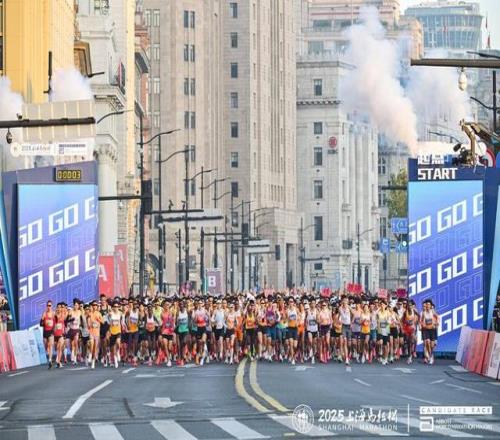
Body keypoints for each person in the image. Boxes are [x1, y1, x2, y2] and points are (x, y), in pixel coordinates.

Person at [420, 299, 439, 365]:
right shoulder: (424, 313)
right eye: (427, 304)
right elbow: (421, 320)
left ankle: (431, 355)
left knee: (432, 345)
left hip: (432, 330)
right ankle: (430, 356)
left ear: (430, 306)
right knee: (427, 342)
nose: (427, 306)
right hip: (426, 330)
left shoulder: (432, 311)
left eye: (429, 304)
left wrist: (436, 323)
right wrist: (422, 324)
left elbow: (437, 317)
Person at [88, 301, 103, 369]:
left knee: (95, 348)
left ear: (97, 307)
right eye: (93, 305)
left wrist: (98, 319)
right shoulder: (90, 314)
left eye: (95, 305)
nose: (94, 306)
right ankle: (90, 354)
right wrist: (89, 324)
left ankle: (93, 362)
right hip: (91, 332)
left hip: (97, 333)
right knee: (91, 344)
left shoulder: (99, 313)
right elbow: (88, 322)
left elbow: (103, 322)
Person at [40, 301, 55, 369]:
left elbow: (56, 322)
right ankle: (49, 355)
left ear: (52, 306)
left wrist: (54, 329)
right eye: (48, 305)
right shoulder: (44, 313)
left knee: (51, 345)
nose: (49, 307)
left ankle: (50, 360)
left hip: (51, 331)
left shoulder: (53, 313)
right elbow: (40, 323)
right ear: (46, 306)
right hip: (45, 331)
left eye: (50, 305)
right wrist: (43, 322)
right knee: (46, 346)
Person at [108, 301, 123, 368]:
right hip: (112, 332)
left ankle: (118, 352)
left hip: (118, 331)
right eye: (115, 306)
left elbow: (122, 321)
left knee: (118, 342)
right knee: (112, 348)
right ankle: (115, 360)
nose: (116, 308)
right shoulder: (110, 314)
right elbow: (108, 321)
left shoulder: (120, 313)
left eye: (117, 306)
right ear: (113, 307)